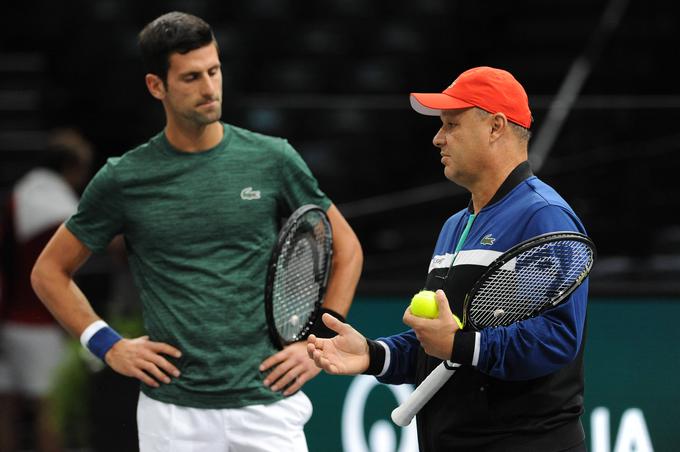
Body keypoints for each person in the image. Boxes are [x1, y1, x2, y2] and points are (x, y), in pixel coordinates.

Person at [30, 11, 363, 452]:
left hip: (268, 406)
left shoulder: (273, 158)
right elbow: (49, 272)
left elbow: (348, 250)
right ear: (156, 86)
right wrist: (108, 345)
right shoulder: (123, 178)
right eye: (190, 78)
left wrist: (319, 344)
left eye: (214, 71)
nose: (209, 88)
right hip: (172, 415)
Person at [308, 66, 590, 452]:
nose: (438, 138)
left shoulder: (544, 215)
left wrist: (460, 346)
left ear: (495, 127)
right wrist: (374, 354)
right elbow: (440, 343)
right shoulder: (455, 225)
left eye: (451, 125)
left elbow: (556, 339)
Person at [0, 128, 93, 452]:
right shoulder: (60, 208)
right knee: (49, 411)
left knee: (7, 409)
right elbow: (56, 274)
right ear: (71, 167)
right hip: (37, 323)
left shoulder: (20, 195)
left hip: (9, 317)